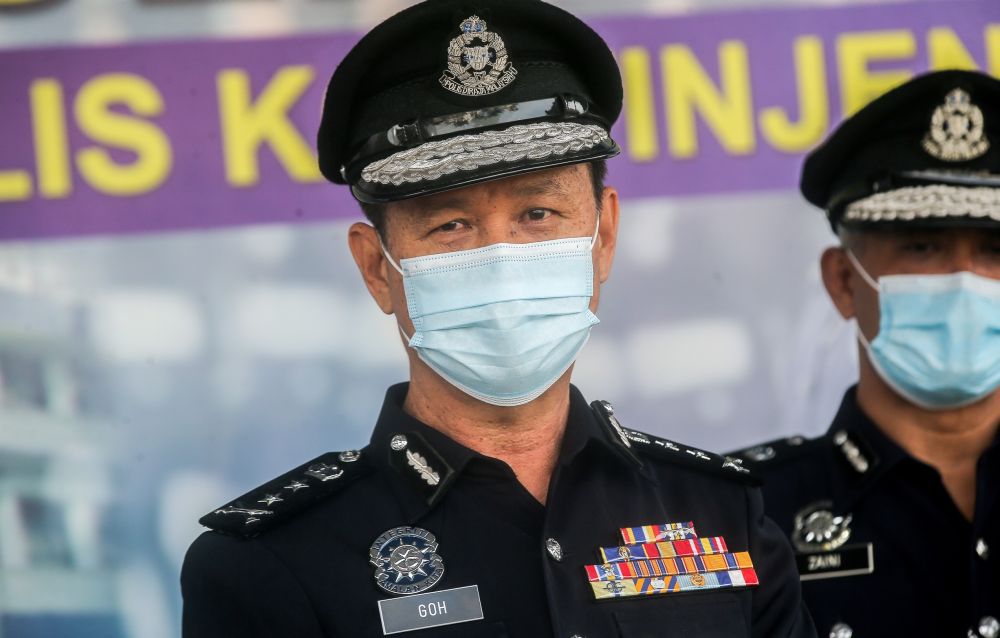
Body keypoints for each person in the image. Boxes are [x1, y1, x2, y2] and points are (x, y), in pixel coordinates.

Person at [181, 1, 815, 636]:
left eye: (538, 213)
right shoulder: (271, 565)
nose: (501, 258)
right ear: (377, 267)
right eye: (450, 225)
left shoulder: (721, 517)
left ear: (603, 236)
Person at [731, 69, 1000, 638]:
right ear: (843, 282)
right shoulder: (746, 516)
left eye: (994, 249)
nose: (964, 278)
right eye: (923, 246)